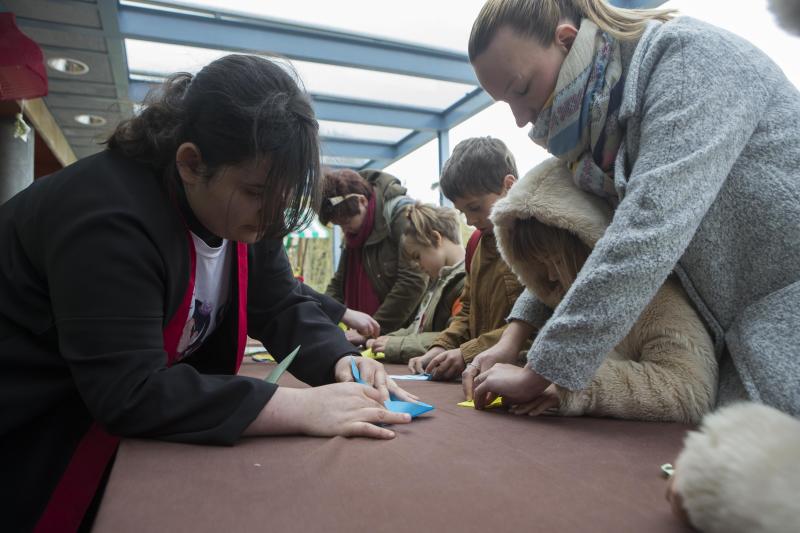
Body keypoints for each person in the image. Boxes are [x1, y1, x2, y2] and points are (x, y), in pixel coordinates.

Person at [0, 54, 414, 532]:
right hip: (30, 425)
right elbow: (129, 390)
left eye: (283, 194)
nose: (271, 214)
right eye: (259, 192)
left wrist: (340, 360)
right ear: (191, 163)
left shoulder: (241, 206)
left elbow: (278, 302)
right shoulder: (108, 217)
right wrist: (300, 406)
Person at [462, 0, 800, 416]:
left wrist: (540, 371)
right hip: (752, 343)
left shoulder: (691, 60)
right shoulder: (599, 141)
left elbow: (649, 227)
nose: (519, 119)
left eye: (521, 89)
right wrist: (512, 338)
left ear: (566, 42)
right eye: (504, 103)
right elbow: (581, 242)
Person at [490, 158, 717, 422]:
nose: (550, 276)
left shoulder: (660, 300)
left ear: (588, 242)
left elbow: (690, 392)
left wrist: (572, 387)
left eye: (555, 260)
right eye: (537, 266)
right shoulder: (562, 290)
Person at [407, 137, 528, 381]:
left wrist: (467, 352)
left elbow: (539, 322)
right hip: (485, 376)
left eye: (475, 208)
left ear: (509, 185)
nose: (470, 221)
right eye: (463, 213)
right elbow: (467, 310)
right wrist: (442, 346)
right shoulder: (476, 244)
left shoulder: (538, 241)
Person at [319, 168, 428, 342]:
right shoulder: (353, 234)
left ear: (362, 201)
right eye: (339, 225)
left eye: (346, 222)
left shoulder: (401, 215)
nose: (345, 230)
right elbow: (339, 282)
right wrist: (319, 320)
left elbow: (412, 281)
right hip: (370, 337)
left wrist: (372, 328)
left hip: (402, 335)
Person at [366, 202, 466, 363]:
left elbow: (455, 337)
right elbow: (418, 328)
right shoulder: (438, 282)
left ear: (435, 238)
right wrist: (386, 340)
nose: (419, 266)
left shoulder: (464, 283)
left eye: (417, 256)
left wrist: (395, 345)